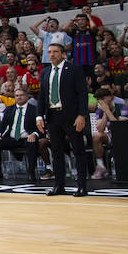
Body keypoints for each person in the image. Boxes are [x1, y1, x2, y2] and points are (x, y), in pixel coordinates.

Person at [37, 39, 89, 197]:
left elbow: (82, 94)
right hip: (53, 115)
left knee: (78, 151)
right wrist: (39, 116)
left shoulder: (74, 69)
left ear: (63, 54)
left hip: (71, 115)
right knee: (56, 152)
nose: (51, 54)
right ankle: (59, 186)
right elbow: (41, 96)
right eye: (49, 52)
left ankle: (82, 186)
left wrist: (81, 115)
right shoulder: (45, 72)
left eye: (55, 52)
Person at [0, 87, 41, 183]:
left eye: (21, 95)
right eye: (17, 96)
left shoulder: (34, 109)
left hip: (26, 137)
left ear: (26, 96)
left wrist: (34, 134)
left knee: (32, 143)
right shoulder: (9, 109)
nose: (19, 97)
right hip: (12, 138)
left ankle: (31, 172)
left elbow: (41, 127)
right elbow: (3, 125)